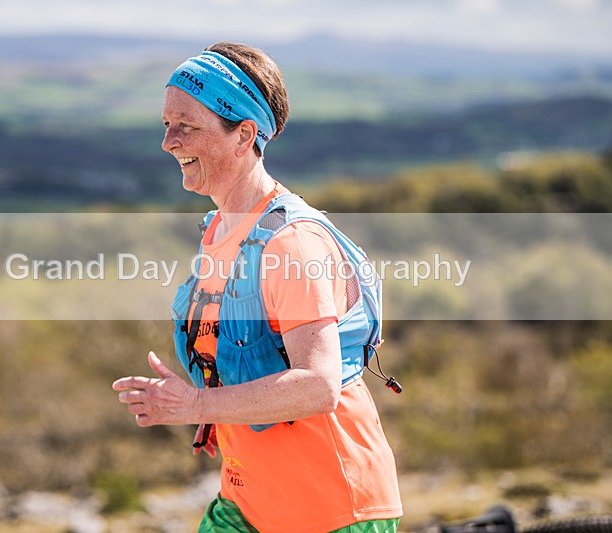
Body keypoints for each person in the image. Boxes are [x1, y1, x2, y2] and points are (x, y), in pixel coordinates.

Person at [113, 42, 402, 533]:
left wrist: (196, 405)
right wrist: (206, 410)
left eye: (187, 126)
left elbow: (319, 385)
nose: (169, 142)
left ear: (244, 134)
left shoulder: (290, 243)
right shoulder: (219, 229)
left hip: (329, 509)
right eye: (166, 124)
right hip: (249, 503)